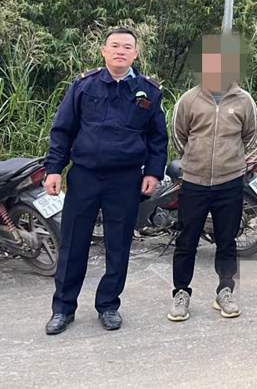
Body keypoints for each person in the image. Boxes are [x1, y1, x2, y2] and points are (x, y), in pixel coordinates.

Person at [43, 27, 168, 335]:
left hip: (125, 179)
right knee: (73, 243)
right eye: (114, 46)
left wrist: (153, 172)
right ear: (104, 51)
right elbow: (63, 130)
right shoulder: (84, 86)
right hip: (85, 175)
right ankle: (63, 308)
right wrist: (54, 169)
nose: (120, 51)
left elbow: (157, 138)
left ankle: (108, 305)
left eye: (127, 47)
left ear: (135, 54)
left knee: (118, 244)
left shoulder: (148, 91)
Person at [167, 33, 257, 322]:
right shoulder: (189, 100)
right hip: (194, 182)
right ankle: (181, 293)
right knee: (187, 240)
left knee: (227, 240)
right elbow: (179, 136)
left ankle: (225, 291)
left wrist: (230, 161)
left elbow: (250, 136)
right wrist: (196, 161)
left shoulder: (244, 101)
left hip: (229, 182)